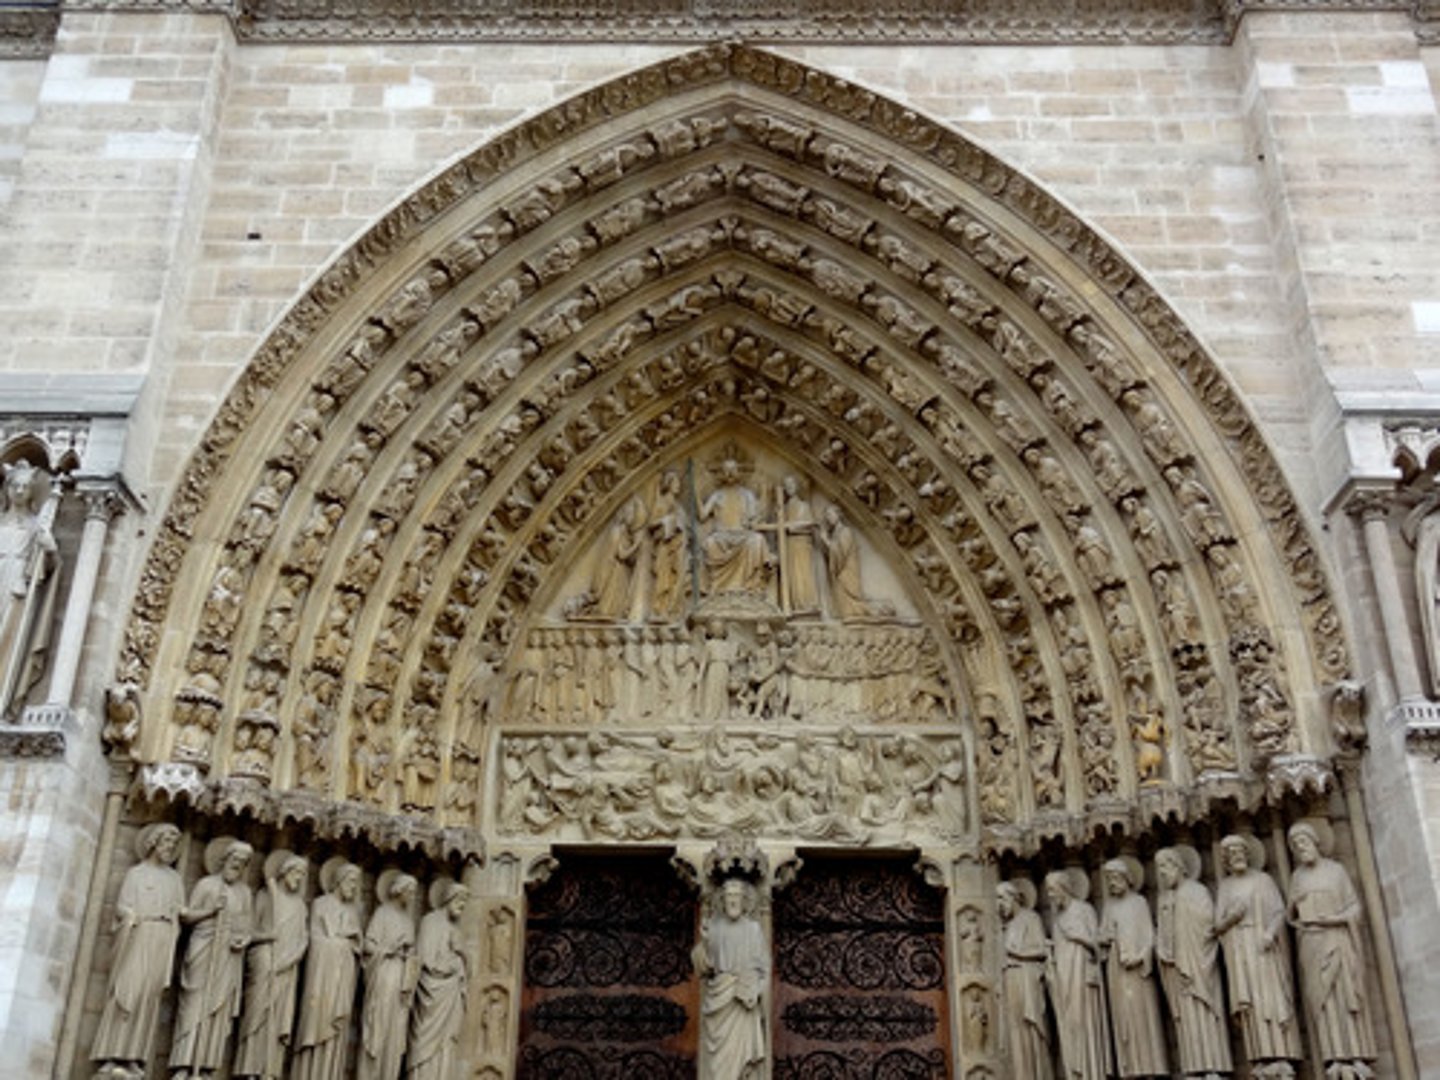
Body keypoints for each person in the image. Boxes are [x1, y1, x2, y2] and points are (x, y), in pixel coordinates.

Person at [91, 824, 186, 1079]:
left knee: (148, 998)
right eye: (166, 842)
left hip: (162, 939)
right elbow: (122, 905)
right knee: (126, 993)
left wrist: (211, 910)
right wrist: (130, 917)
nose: (170, 848)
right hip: (137, 935)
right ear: (154, 842)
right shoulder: (137, 873)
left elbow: (182, 911)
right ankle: (112, 1055)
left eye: (174, 844)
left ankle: (134, 1057)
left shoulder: (174, 879)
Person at [1286, 822, 1377, 1076]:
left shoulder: (1336, 871)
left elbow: (1355, 909)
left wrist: (1335, 919)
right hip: (1311, 943)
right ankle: (1332, 1055)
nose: (1300, 848)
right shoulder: (1297, 877)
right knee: (1324, 1003)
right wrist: (1296, 905)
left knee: (1347, 995)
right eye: (1295, 846)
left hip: (1338, 939)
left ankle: (1357, 1054)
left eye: (1303, 842)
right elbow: (1291, 916)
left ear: (1315, 842)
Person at [1214, 834, 1301, 1075]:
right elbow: (1217, 926)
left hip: (1265, 947)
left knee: (1271, 999)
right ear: (1225, 861)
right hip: (1240, 949)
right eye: (1231, 854)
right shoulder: (1226, 886)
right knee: (1251, 1004)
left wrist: (1270, 934)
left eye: (1240, 851)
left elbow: (1278, 912)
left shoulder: (1263, 880)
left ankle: (1282, 1053)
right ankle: (1259, 1056)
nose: (1236, 856)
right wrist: (1233, 917)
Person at [170, 838, 255, 1079]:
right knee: (194, 1005)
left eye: (242, 862)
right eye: (234, 859)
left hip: (229, 956)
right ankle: (184, 1065)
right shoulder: (206, 885)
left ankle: (206, 1066)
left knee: (218, 1010)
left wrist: (243, 939)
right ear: (224, 859)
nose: (237, 865)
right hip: (203, 949)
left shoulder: (244, 893)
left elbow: (246, 926)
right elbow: (186, 917)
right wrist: (211, 911)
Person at [1154, 845, 1232, 1078]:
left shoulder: (1196, 891)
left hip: (1198, 963)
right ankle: (1193, 1068)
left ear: (1179, 867)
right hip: (1176, 967)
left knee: (1206, 1013)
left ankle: (1214, 1067)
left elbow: (1208, 926)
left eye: (1166, 867)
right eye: (1158, 869)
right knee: (1186, 1021)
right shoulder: (1163, 898)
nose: (1162, 873)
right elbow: (1161, 930)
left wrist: (1188, 947)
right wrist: (1163, 948)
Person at [235, 851, 309, 1080]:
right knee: (257, 1014)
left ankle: (270, 1070)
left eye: (303, 874)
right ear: (284, 872)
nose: (299, 877)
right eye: (296, 872)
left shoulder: (300, 906)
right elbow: (249, 931)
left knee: (278, 1020)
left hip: (287, 968)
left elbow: (303, 938)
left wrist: (291, 958)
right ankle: (249, 1068)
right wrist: (268, 937)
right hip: (265, 961)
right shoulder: (266, 896)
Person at [293, 859, 363, 1080]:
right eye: (351, 881)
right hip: (321, 977)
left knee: (337, 1033)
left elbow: (359, 947)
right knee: (315, 1019)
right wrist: (341, 943)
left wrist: (352, 942)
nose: (354, 886)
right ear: (339, 881)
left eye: (357, 882)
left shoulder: (354, 912)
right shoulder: (320, 904)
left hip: (343, 978)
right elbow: (313, 940)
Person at [1099, 859, 1167, 1077]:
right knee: (1123, 1018)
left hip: (1137, 971)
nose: (1112, 883)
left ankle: (1151, 1067)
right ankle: (1129, 1068)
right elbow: (1101, 936)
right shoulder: (1109, 906)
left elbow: (1149, 935)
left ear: (1127, 879)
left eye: (1116, 878)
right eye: (1109, 879)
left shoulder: (1139, 903)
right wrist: (1105, 938)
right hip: (1116, 971)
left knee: (1143, 1016)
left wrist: (1140, 957)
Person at [696, 878, 768, 1080]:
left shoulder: (753, 929)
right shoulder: (713, 927)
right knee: (717, 1066)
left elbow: (763, 968)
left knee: (742, 1060)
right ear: (722, 899)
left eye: (736, 896)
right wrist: (705, 941)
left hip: (742, 1001)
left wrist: (755, 990)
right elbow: (704, 967)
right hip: (719, 998)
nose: (732, 901)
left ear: (745, 900)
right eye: (728, 896)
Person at [1044, 868, 1111, 1080]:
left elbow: (1099, 944)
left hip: (1082, 974)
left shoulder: (1084, 910)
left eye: (1053, 891)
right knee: (1070, 1023)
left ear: (1064, 888)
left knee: (1085, 1021)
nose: (1051, 896)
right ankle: (1075, 1072)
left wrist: (1080, 937)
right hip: (1064, 977)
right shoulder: (1057, 919)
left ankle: (1093, 1071)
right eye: (1048, 892)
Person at [408, 880, 471, 1080]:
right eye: (460, 900)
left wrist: (462, 953)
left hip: (450, 996)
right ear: (449, 899)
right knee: (425, 1047)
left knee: (446, 1045)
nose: (462, 906)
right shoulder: (430, 921)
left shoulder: (455, 929)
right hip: (432, 994)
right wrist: (452, 963)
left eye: (465, 902)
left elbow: (467, 967)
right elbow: (425, 959)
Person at [359, 871, 419, 1080]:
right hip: (383, 976)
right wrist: (389, 949)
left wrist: (409, 957)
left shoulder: (409, 921)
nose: (412, 896)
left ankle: (388, 1074)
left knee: (395, 1032)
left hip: (401, 981)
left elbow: (411, 953)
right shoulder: (382, 913)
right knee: (378, 1025)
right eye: (410, 891)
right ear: (399, 891)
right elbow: (367, 946)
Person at [997, 879, 1052, 1080]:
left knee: (1029, 1029)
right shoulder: (1007, 925)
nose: (999, 904)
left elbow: (1041, 949)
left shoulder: (1030, 918)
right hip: (1010, 979)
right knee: (1014, 1032)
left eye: (1001, 898)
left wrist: (1018, 953)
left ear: (1014, 898)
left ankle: (1036, 1074)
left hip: (1026, 979)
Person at [699, 452, 772, 597]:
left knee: (757, 541)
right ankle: (716, 587)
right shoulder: (717, 495)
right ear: (723, 473)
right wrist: (696, 492)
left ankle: (752, 587)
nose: (730, 473)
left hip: (742, 534)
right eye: (727, 470)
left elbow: (755, 518)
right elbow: (702, 516)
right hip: (722, 536)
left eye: (733, 470)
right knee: (710, 542)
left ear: (738, 472)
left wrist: (764, 493)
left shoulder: (746, 495)